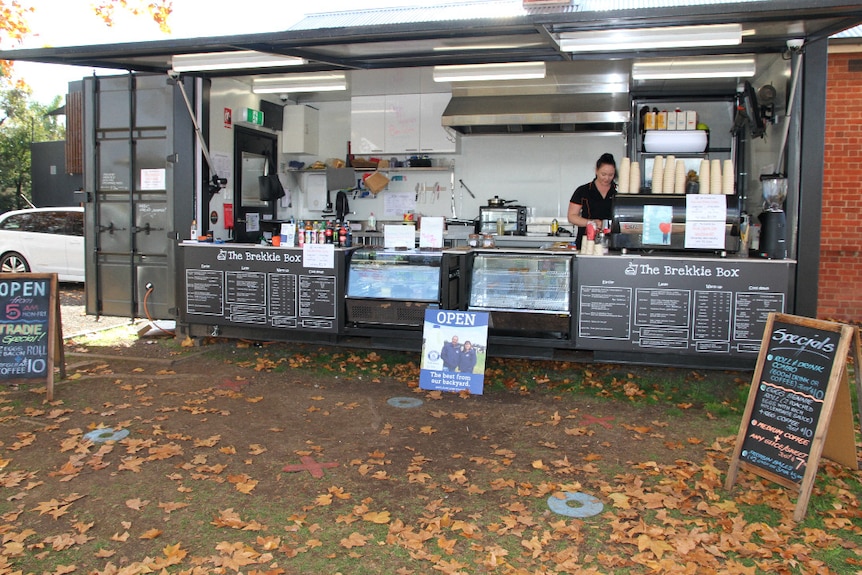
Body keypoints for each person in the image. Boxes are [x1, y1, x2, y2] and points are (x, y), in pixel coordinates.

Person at [567, 153, 617, 249]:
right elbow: (572, 216)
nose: (607, 178)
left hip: (612, 243)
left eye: (611, 175)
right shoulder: (583, 191)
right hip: (587, 243)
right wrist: (591, 223)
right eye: (603, 174)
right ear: (596, 171)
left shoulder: (618, 192)